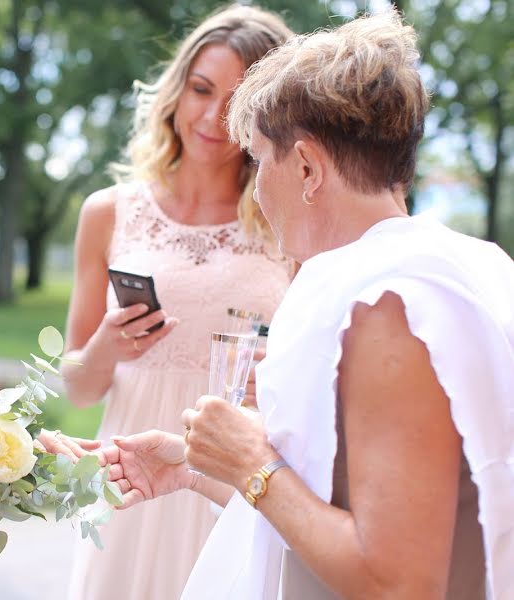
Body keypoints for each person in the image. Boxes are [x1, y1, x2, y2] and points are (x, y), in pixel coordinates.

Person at [106, 10, 514, 599]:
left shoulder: (388, 308)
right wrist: (197, 467)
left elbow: (399, 583)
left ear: (305, 167)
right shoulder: (457, 268)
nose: (257, 189)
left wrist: (251, 463)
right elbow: (336, 504)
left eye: (259, 160)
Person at [62, 5, 295, 599]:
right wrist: (106, 347)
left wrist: (278, 378)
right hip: (132, 478)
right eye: (200, 89)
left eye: (236, 98)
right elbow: (77, 388)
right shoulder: (109, 212)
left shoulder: (289, 222)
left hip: (231, 479)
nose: (212, 115)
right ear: (176, 91)